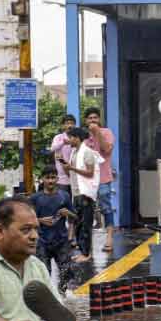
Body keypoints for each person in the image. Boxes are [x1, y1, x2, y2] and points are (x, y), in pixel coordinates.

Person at [31, 166, 77, 295]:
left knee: (66, 271)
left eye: (53, 177)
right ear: (42, 179)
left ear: (57, 178)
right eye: (47, 178)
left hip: (61, 240)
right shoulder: (35, 199)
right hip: (42, 241)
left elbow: (75, 217)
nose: (50, 181)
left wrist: (68, 214)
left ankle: (62, 294)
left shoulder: (64, 196)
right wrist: (40, 220)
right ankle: (47, 297)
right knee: (44, 272)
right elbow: (26, 220)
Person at [63, 127, 102, 262]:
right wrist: (67, 168)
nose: (69, 140)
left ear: (78, 138)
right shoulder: (74, 152)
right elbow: (72, 174)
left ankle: (86, 254)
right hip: (76, 193)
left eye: (71, 137)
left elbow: (90, 172)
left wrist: (72, 168)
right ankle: (83, 251)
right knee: (79, 224)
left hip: (85, 193)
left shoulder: (87, 153)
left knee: (85, 224)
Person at [83, 108, 116, 253]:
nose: (92, 120)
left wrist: (97, 133)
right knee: (86, 209)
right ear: (85, 121)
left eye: (95, 118)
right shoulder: (83, 136)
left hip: (103, 177)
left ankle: (109, 237)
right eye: (89, 118)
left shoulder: (107, 132)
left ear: (99, 119)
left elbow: (106, 150)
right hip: (86, 179)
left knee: (106, 206)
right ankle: (86, 241)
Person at [49, 114, 76, 197]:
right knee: (62, 202)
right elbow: (52, 149)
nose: (70, 125)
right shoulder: (58, 137)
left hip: (75, 176)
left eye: (72, 123)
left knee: (76, 204)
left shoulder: (77, 138)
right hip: (62, 178)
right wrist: (63, 142)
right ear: (63, 125)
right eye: (67, 123)